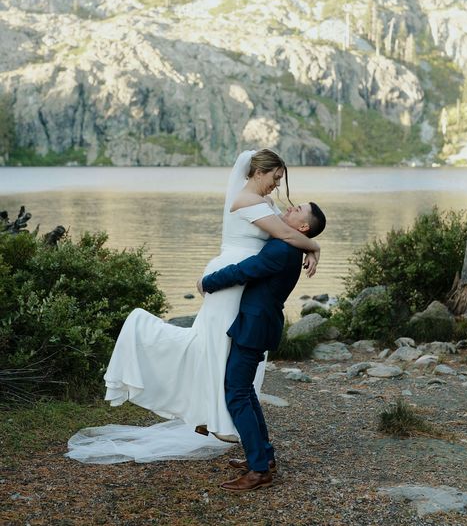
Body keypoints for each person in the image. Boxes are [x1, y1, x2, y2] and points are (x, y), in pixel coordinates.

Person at [66, 149, 322, 463]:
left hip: (242, 285)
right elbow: (286, 233)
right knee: (210, 347)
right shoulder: (246, 201)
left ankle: (217, 420)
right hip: (228, 280)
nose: (278, 187)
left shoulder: (266, 203)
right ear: (259, 172)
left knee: (222, 354)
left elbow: (288, 233)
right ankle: (199, 402)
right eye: (276, 178)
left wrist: (307, 244)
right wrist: (314, 246)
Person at [197, 201, 326, 491]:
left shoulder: (282, 250)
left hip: (254, 327)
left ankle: (258, 471)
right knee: (246, 392)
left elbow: (245, 270)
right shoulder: (288, 243)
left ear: (303, 227)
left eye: (298, 210)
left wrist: (207, 282)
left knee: (237, 394)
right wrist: (314, 247)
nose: (291, 208)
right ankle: (265, 458)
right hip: (259, 323)